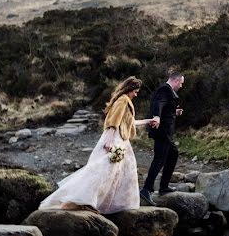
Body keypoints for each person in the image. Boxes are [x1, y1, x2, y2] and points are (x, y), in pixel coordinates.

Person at [39, 76, 154, 214]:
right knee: (103, 170)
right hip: (115, 138)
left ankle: (103, 202)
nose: (136, 94)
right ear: (129, 89)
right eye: (135, 91)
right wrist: (110, 141)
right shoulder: (123, 100)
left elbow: (130, 122)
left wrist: (148, 121)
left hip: (121, 140)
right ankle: (85, 200)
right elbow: (113, 121)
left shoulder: (124, 101)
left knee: (118, 172)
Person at [139, 71, 184, 206]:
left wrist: (174, 112)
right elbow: (158, 103)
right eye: (181, 83)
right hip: (162, 132)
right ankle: (146, 189)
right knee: (159, 159)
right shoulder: (165, 89)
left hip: (165, 132)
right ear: (176, 81)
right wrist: (157, 117)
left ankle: (164, 186)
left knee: (173, 154)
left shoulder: (167, 90)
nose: (181, 86)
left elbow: (164, 106)